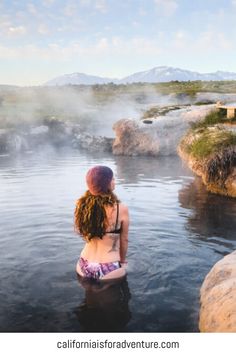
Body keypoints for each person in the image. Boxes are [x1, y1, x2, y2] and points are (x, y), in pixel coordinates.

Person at [74, 165, 129, 280]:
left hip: (83, 265)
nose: (114, 181)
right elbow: (124, 240)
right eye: (113, 179)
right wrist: (123, 262)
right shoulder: (120, 208)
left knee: (89, 298)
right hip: (109, 268)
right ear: (107, 183)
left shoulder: (82, 206)